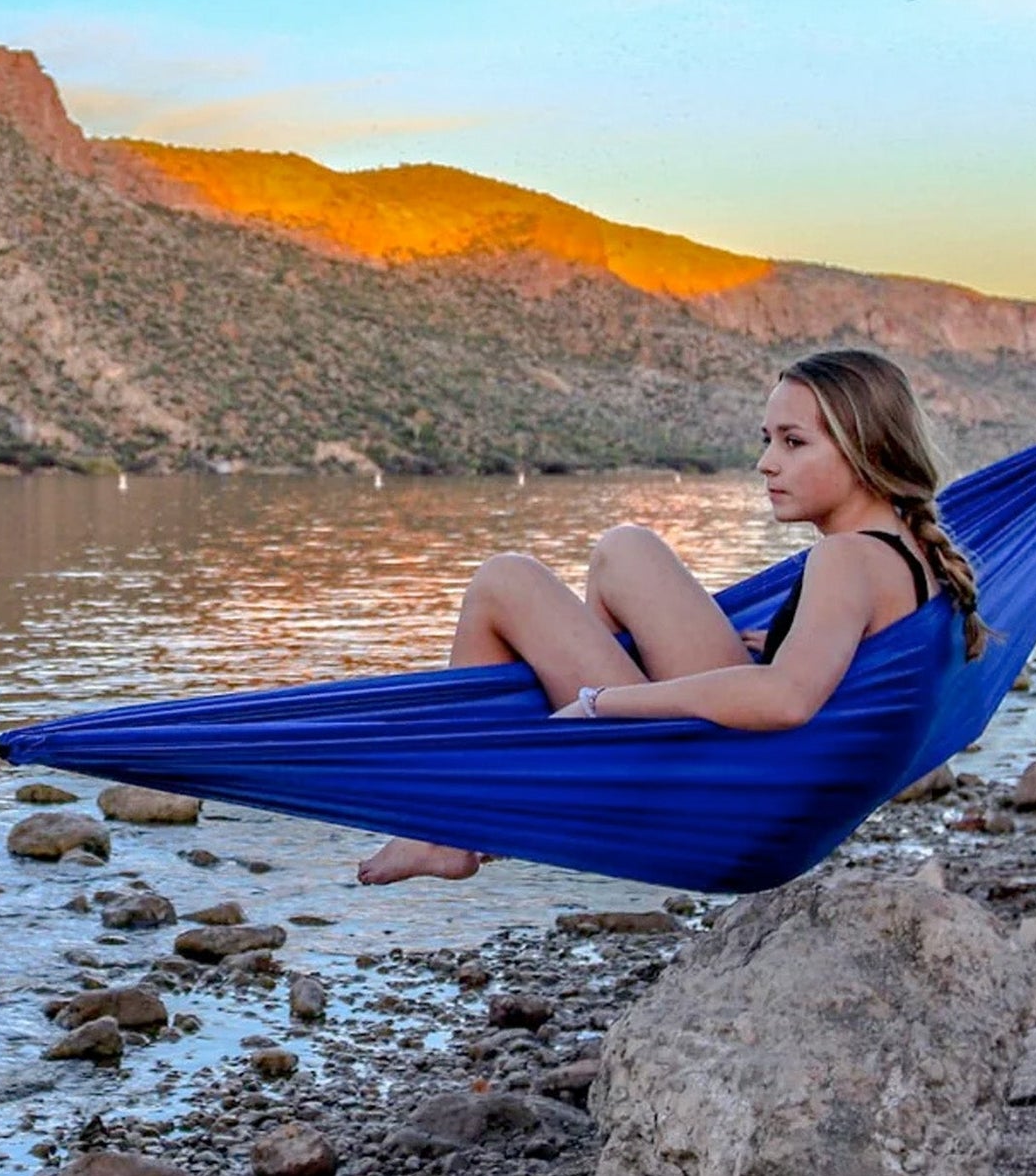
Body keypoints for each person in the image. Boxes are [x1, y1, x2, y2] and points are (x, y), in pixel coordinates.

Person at [356, 348, 987, 885]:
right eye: (766, 440)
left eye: (793, 443)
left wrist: (602, 702)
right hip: (769, 790)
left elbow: (788, 699)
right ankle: (554, 779)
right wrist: (785, 638)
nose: (767, 462)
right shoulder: (905, 551)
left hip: (729, 806)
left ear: (865, 449)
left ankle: (452, 823)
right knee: (624, 549)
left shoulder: (845, 559)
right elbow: (856, 667)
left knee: (505, 581)